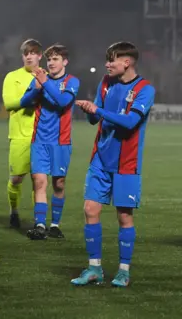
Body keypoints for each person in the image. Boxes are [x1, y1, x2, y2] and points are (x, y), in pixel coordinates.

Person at [71, 42, 155, 288]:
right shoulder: (105, 83)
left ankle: (123, 271)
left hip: (126, 162)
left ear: (126, 62)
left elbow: (130, 123)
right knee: (90, 209)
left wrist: (99, 110)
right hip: (100, 158)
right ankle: (94, 268)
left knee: (124, 216)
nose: (107, 64)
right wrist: (90, 111)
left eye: (112, 60)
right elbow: (94, 119)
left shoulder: (145, 89)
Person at [19, 44, 80, 240]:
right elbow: (23, 102)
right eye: (49, 59)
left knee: (59, 184)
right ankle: (39, 225)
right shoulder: (39, 80)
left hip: (61, 141)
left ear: (65, 62)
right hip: (40, 140)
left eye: (55, 59)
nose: (51, 63)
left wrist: (44, 83)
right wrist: (35, 89)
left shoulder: (72, 81)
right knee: (39, 181)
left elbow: (62, 102)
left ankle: (54, 224)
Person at [2, 39, 42, 228]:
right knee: (16, 179)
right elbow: (9, 103)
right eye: (25, 53)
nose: (28, 56)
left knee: (39, 180)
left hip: (42, 136)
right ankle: (14, 210)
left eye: (32, 53)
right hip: (19, 135)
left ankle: (39, 220)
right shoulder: (12, 76)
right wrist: (30, 97)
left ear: (39, 56)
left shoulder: (46, 76)